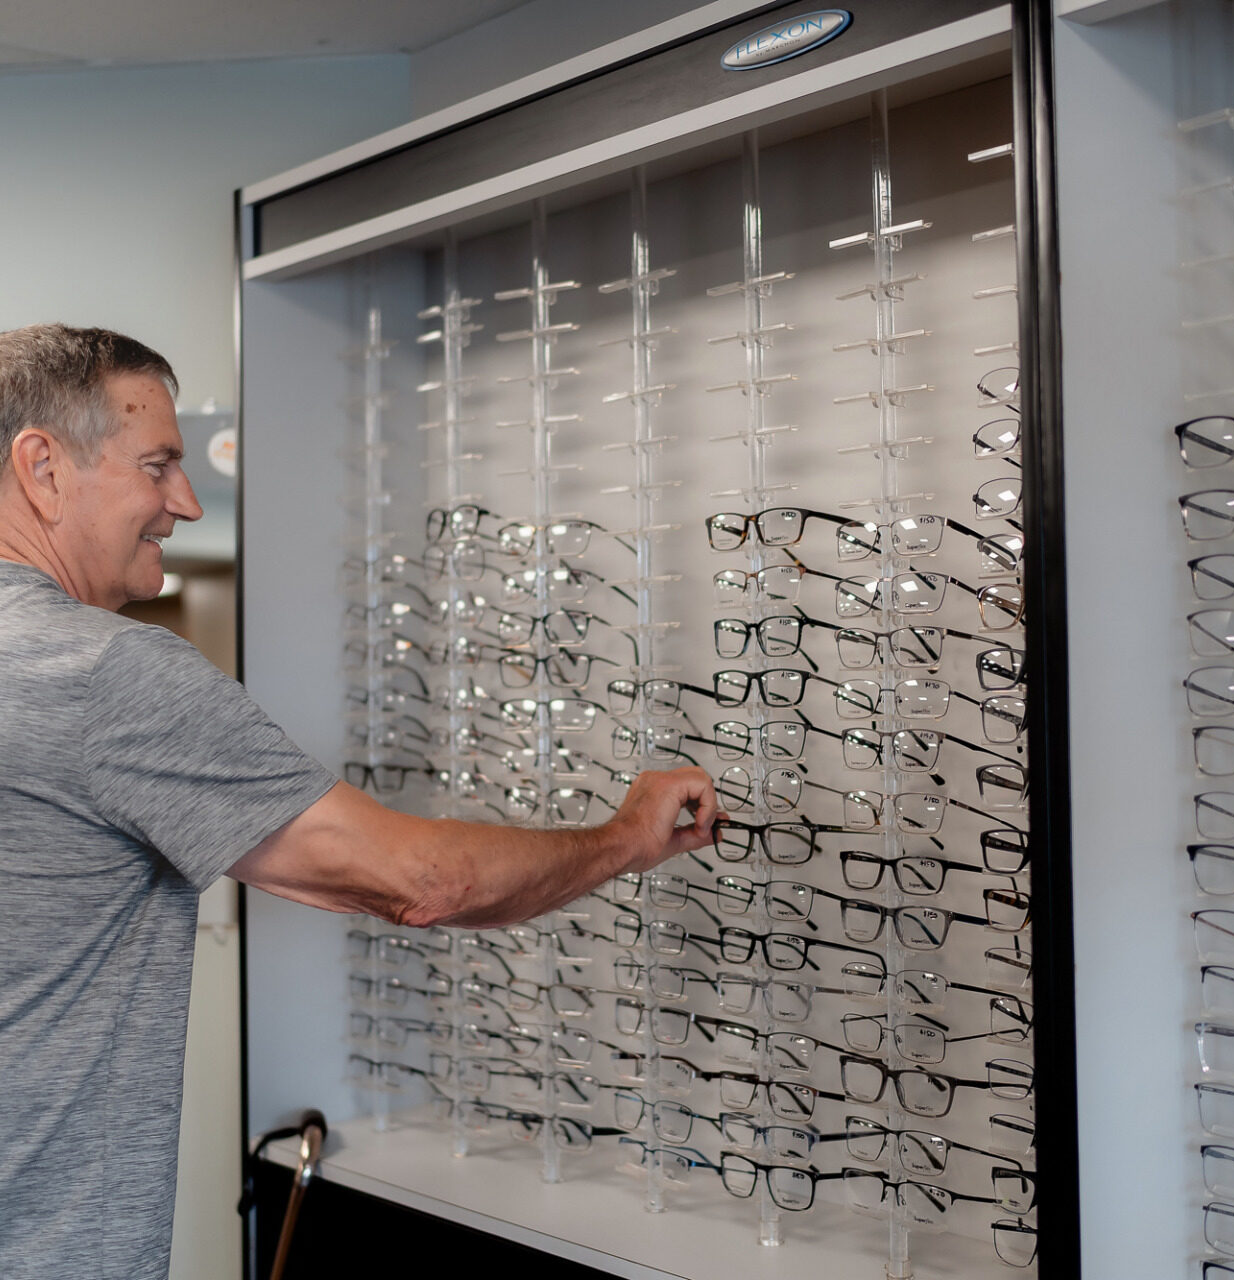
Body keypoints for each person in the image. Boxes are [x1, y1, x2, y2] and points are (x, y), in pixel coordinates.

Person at [0, 323, 719, 1280]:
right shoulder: (100, 675)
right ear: (42, 468)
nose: (185, 500)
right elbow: (421, 882)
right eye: (158, 464)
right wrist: (628, 835)